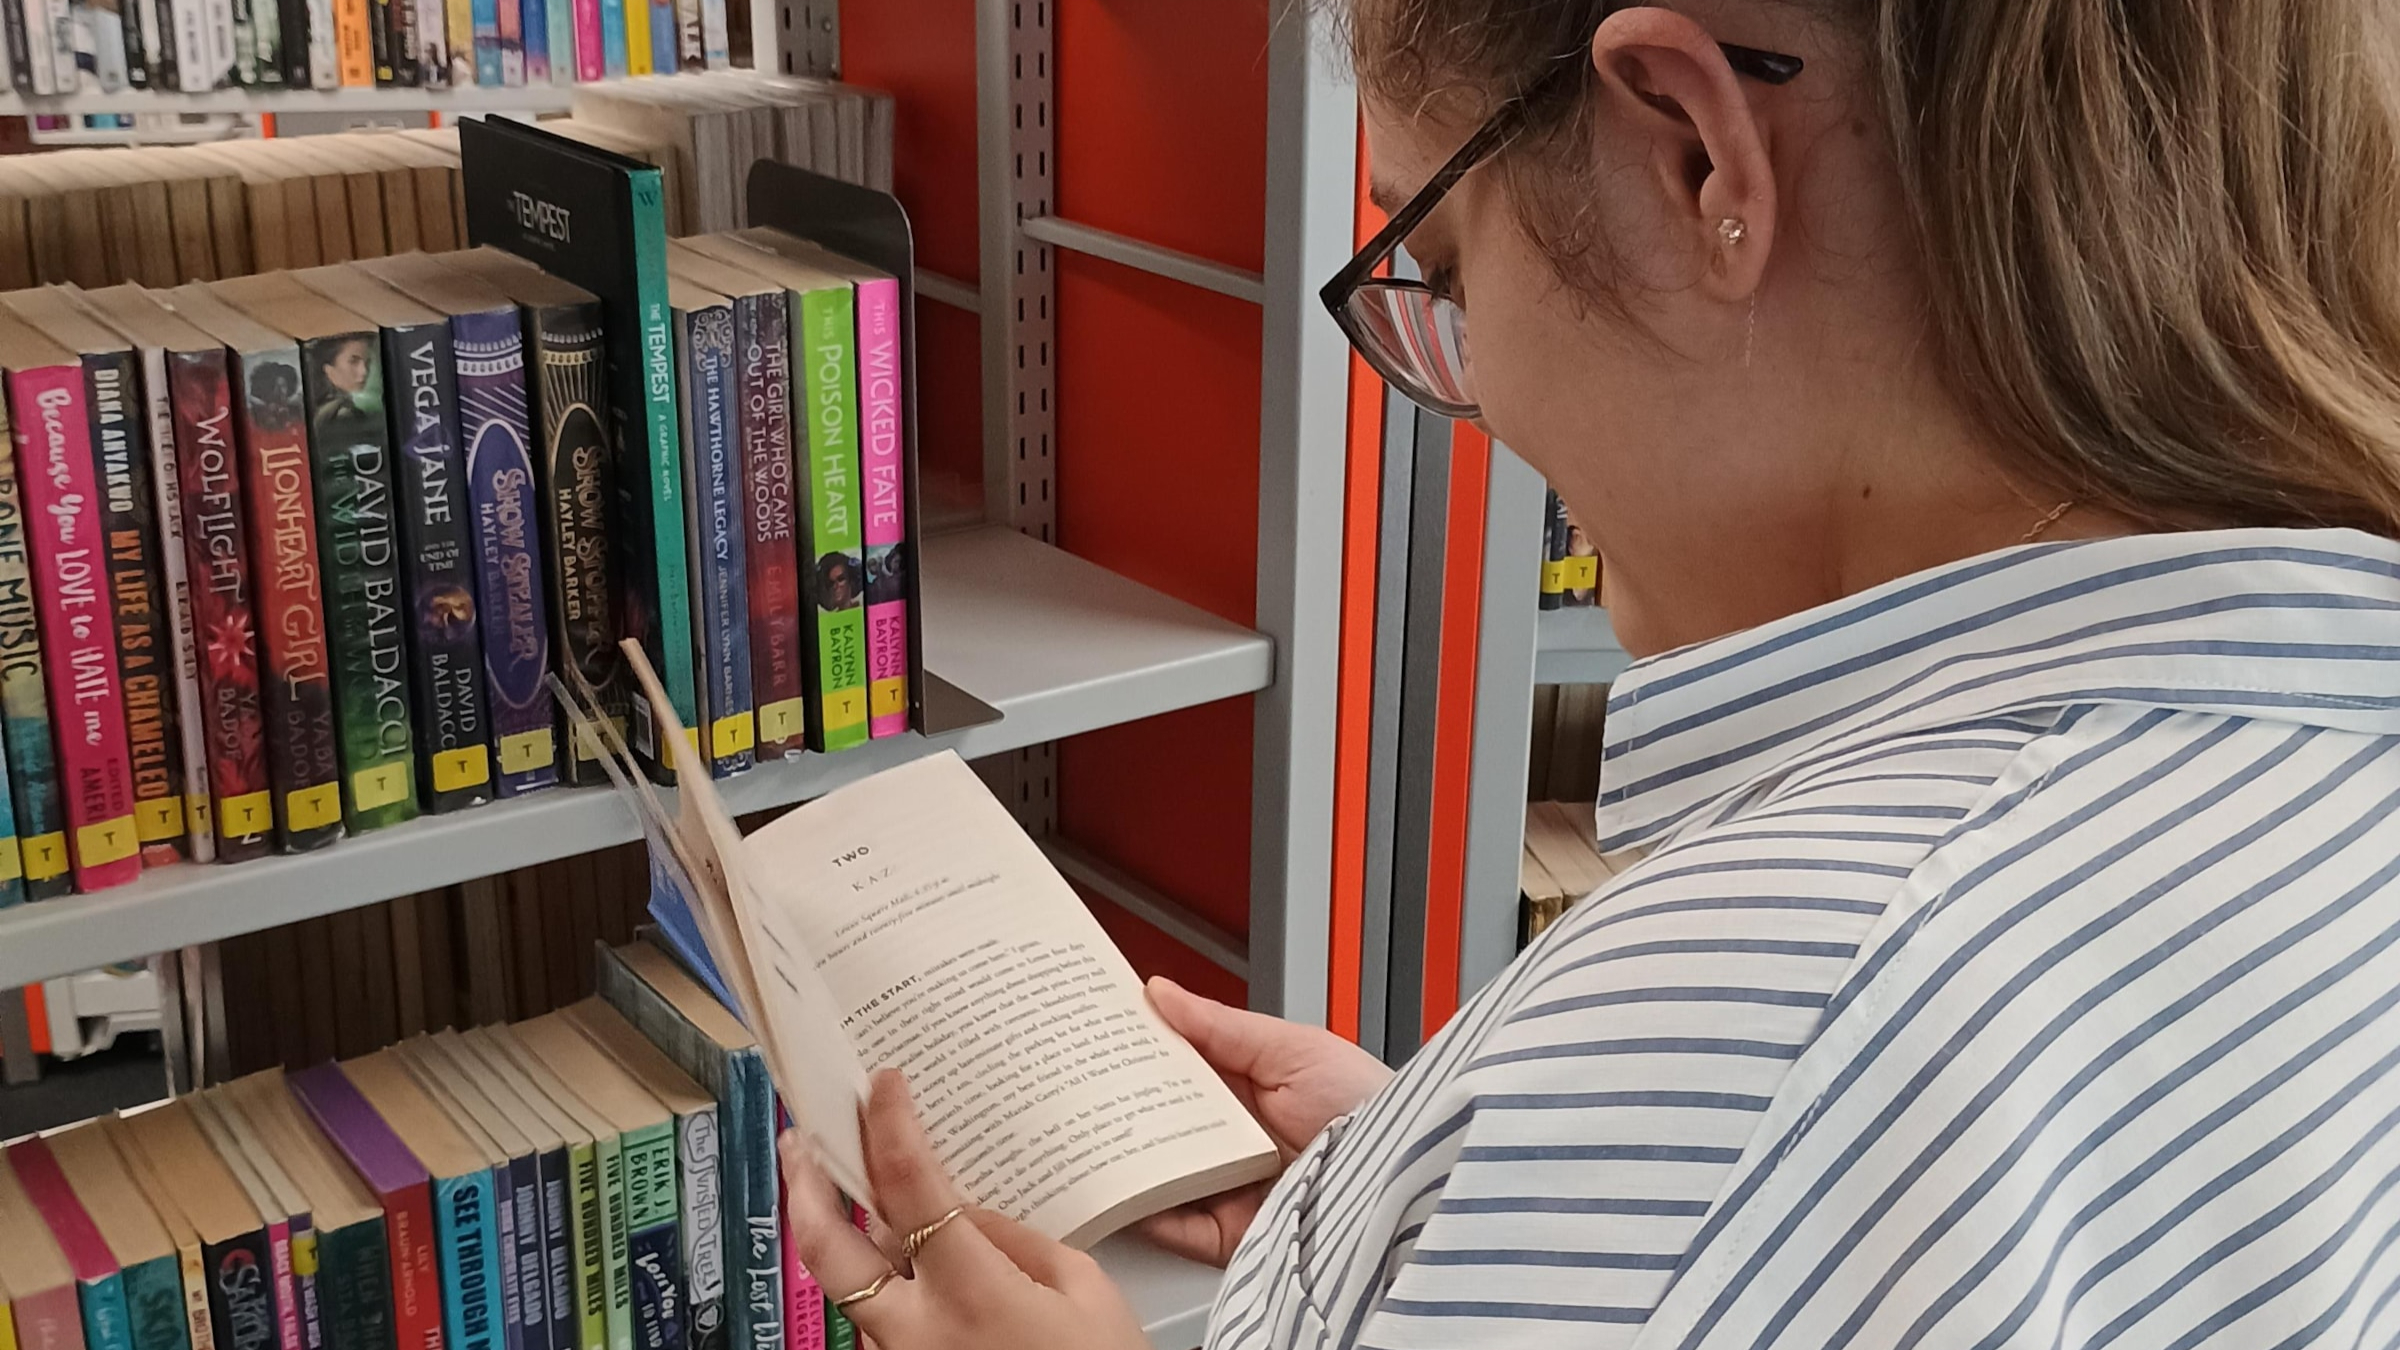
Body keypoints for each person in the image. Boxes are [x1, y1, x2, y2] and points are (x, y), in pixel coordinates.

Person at [780, 1, 2400, 1346]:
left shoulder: (1776, 1011)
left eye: (1453, 272)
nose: (1478, 396)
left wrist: (1611, 1141)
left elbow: (1789, 1127)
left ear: (1696, 157)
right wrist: (1442, 1187)